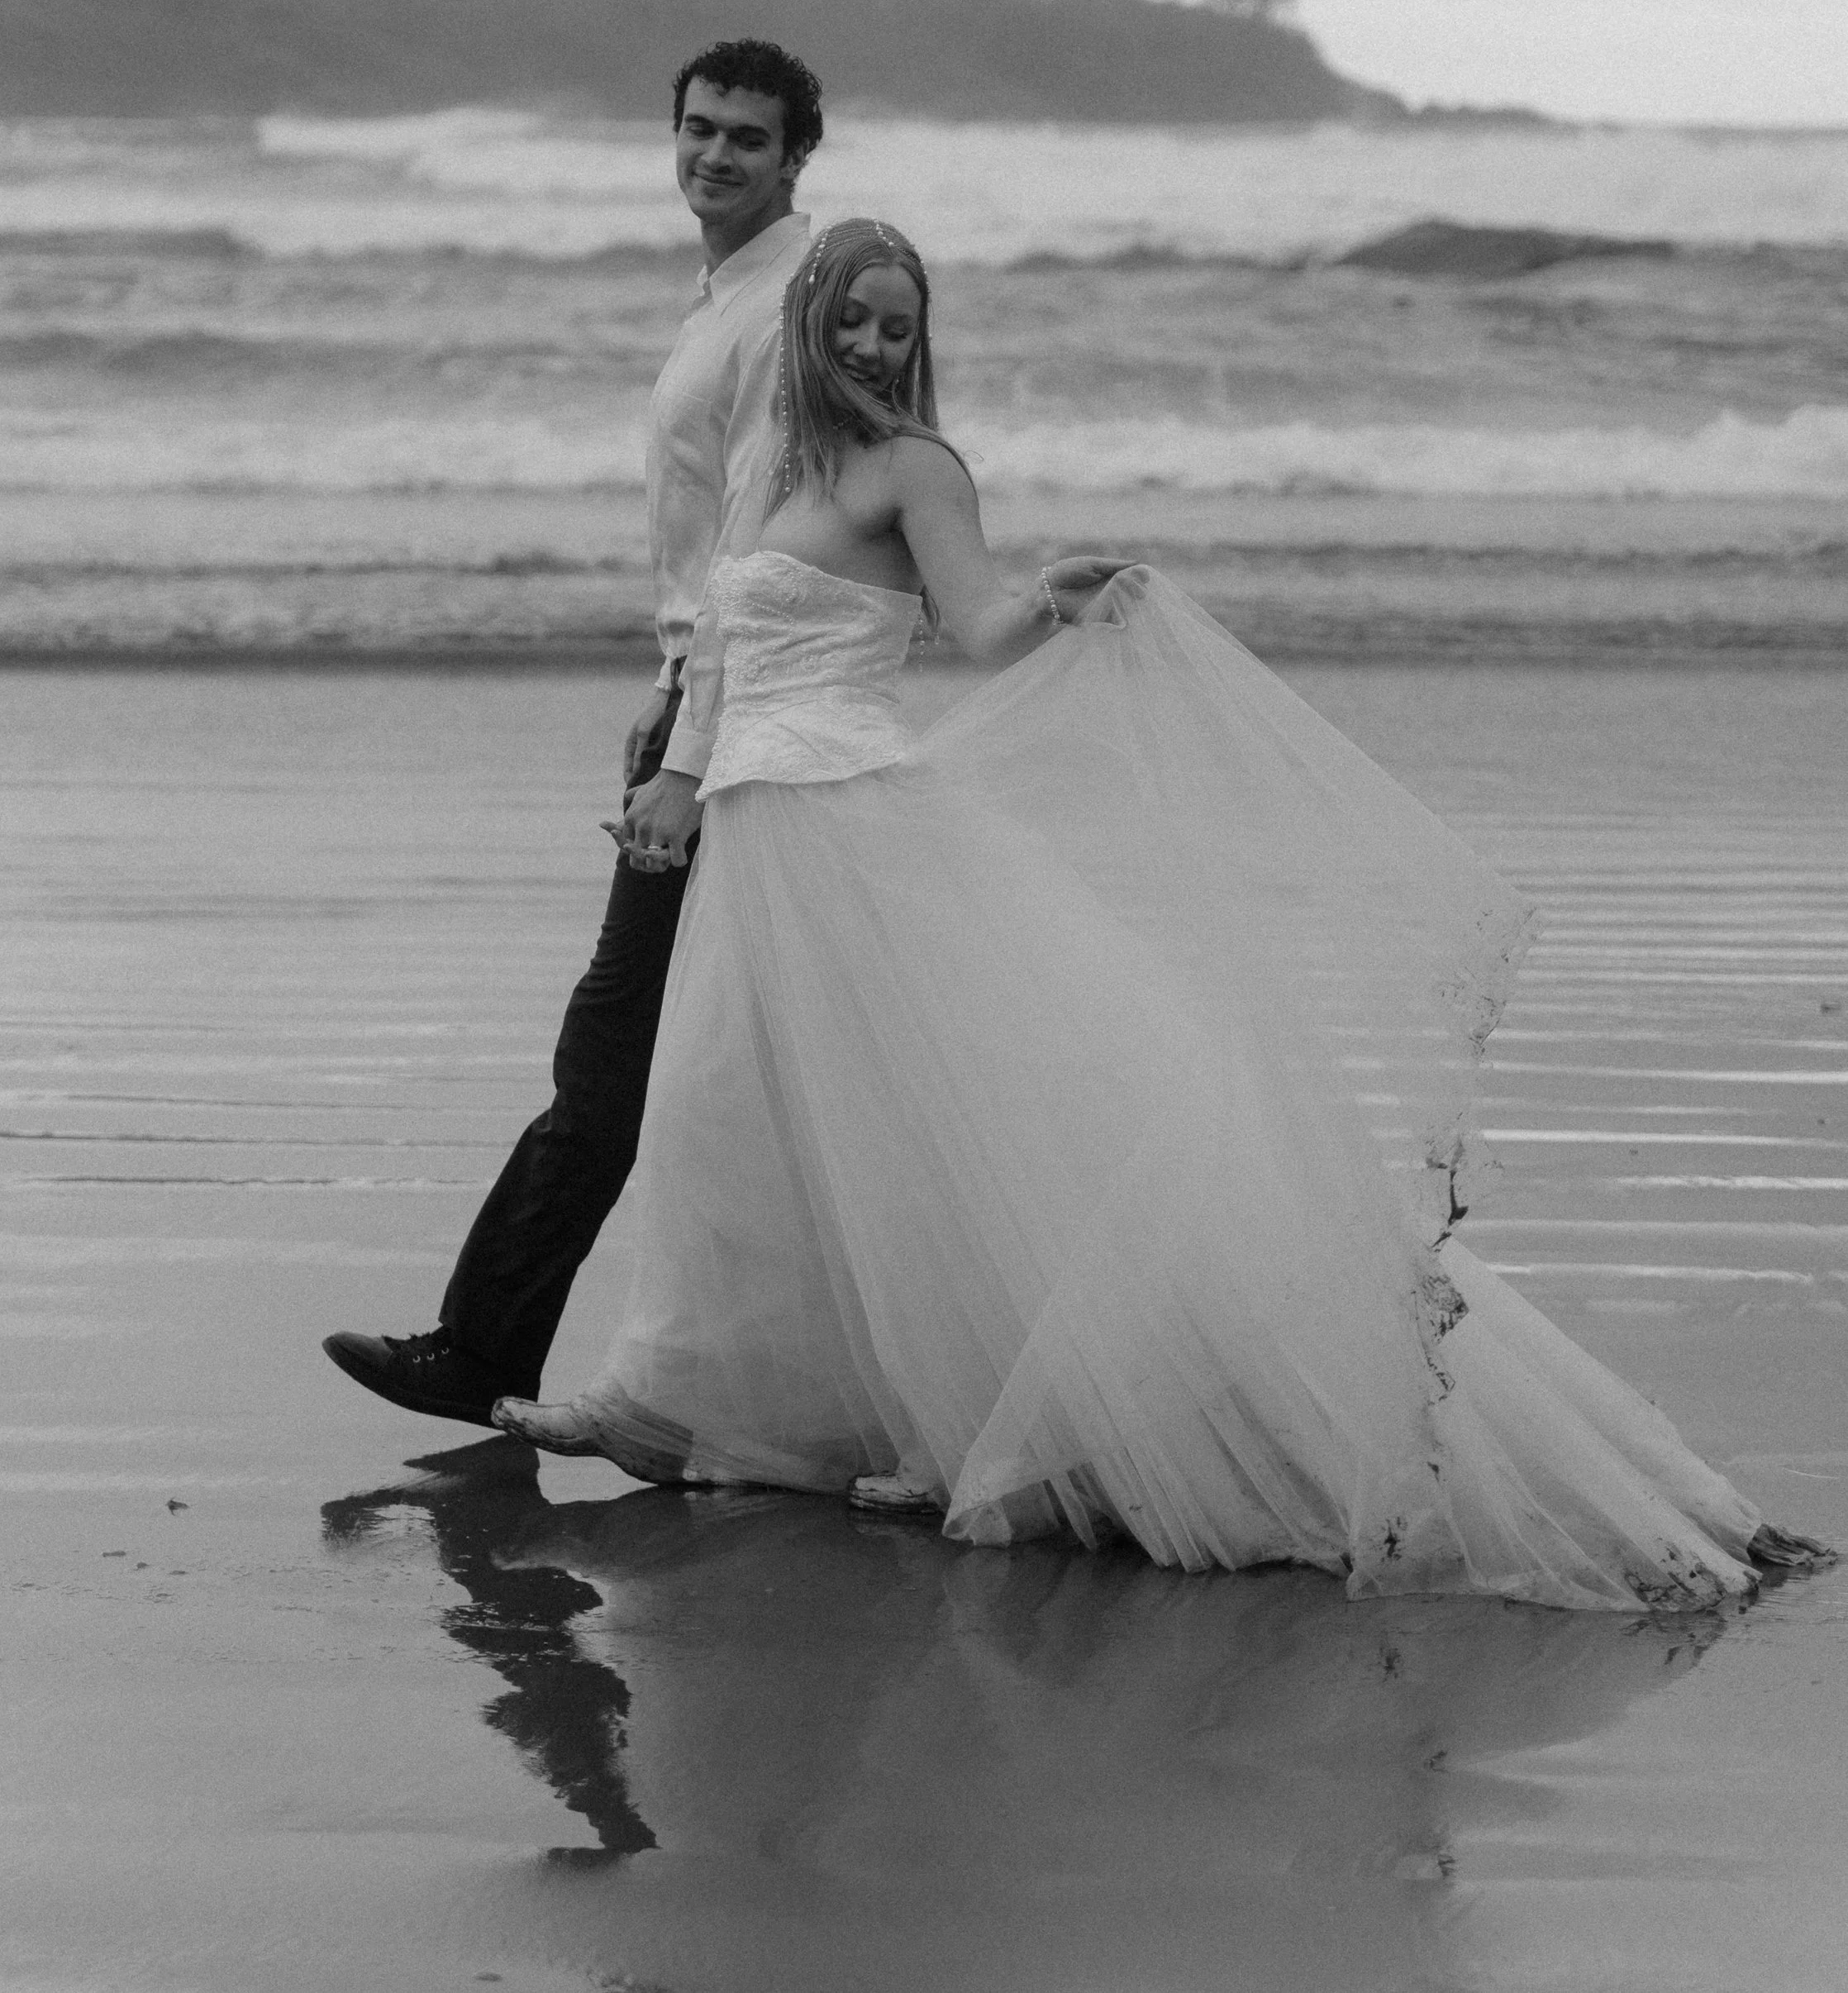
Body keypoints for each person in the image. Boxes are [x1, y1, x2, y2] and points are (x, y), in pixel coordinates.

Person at [495, 220, 1829, 1610]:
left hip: (854, 832)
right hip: (759, 834)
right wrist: (681, 786)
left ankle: (974, 1430)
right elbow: (720, 652)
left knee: (927, 1139)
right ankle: (684, 1401)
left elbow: (979, 626)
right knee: (730, 1121)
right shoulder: (772, 462)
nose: (874, 347)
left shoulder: (916, 468)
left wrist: (1054, 605)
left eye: (899, 326)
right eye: (854, 322)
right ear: (809, 321)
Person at [323, 38, 825, 1430]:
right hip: (719, 699)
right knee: (756, 1061)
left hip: (743, 728)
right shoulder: (734, 293)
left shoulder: (780, 310)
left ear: (797, 158)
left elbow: (753, 545)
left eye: (747, 136)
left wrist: (685, 754)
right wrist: (672, 683)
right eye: (699, 128)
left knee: (612, 1052)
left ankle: (484, 1346)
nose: (715, 153)